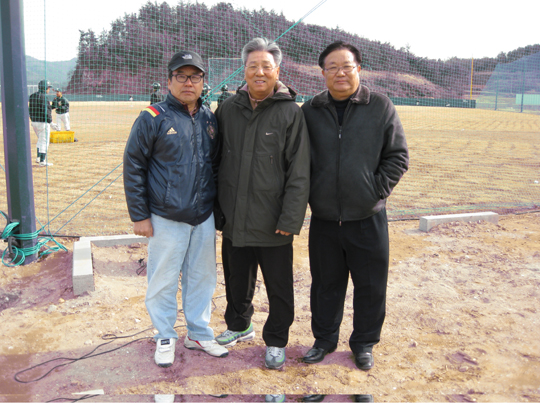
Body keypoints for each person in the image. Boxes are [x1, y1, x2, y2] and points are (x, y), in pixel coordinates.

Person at [301, 41, 409, 371]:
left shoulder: (380, 106)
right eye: (332, 67)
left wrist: (374, 191)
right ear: (322, 73)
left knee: (371, 286)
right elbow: (298, 160)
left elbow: (398, 156)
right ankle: (324, 340)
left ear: (359, 69)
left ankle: (364, 343)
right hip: (324, 219)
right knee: (325, 286)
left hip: (367, 218)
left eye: (346, 66)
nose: (340, 73)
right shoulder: (310, 110)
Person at [123, 50, 228, 368]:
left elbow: (215, 166)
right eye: (181, 76)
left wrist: (215, 211)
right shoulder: (152, 117)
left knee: (202, 278)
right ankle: (165, 334)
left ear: (203, 82)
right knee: (163, 279)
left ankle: (198, 333)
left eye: (195, 76)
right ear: (169, 81)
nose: (188, 82)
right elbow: (134, 165)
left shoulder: (209, 118)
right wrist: (140, 215)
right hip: (166, 216)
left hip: (202, 216)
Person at [213, 37, 310, 370]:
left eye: (266, 66)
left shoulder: (290, 113)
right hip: (235, 218)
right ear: (244, 70)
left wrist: (290, 218)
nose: (259, 72)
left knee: (278, 287)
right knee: (236, 279)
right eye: (253, 66)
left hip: (274, 221)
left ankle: (277, 340)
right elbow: (215, 163)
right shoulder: (228, 109)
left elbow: (299, 172)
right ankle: (239, 325)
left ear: (277, 71)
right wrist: (218, 210)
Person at [29, 79, 57, 166]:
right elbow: (46, 111)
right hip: (43, 123)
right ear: (45, 88)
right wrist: (51, 122)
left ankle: (38, 158)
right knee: (44, 142)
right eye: (48, 87)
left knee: (40, 140)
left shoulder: (32, 96)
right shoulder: (44, 97)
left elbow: (33, 109)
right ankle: (42, 161)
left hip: (34, 122)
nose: (49, 89)